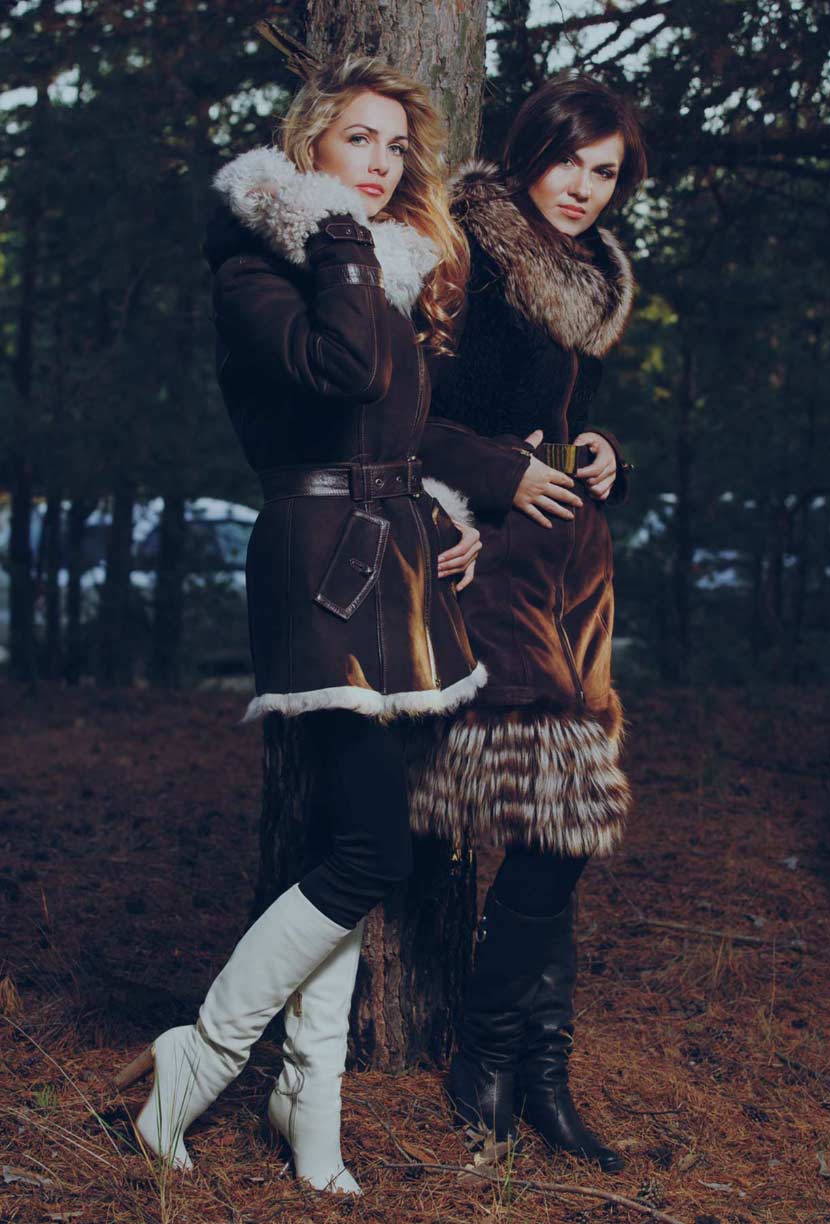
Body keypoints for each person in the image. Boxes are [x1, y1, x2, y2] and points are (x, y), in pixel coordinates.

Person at [115, 55, 485, 1197]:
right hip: (319, 567)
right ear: (309, 145)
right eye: (356, 140)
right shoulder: (260, 266)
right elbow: (344, 371)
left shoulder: (382, 266)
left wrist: (447, 507)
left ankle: (308, 1098)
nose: (380, 165)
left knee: (346, 843)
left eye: (395, 147)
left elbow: (397, 429)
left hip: (394, 566)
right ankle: (202, 1056)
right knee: (372, 849)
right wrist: (336, 237)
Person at [409, 74, 648, 1172]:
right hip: (491, 557)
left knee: (569, 824)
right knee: (560, 818)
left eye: (605, 172)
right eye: (569, 161)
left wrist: (602, 453)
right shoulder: (467, 249)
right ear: (530, 149)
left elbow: (566, 418)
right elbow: (405, 415)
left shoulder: (584, 277)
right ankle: (488, 1059)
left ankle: (540, 1071)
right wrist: (502, 470)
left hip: (573, 570)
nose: (584, 187)